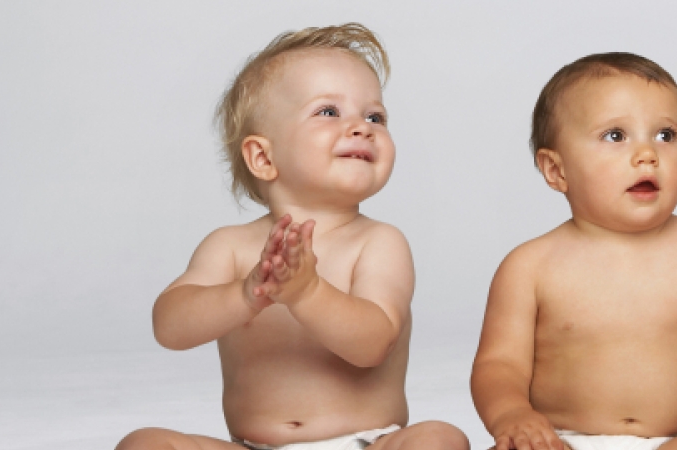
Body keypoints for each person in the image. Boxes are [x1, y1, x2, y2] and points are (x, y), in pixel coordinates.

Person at [117, 22, 468, 450]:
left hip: (366, 442)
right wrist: (246, 295)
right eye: (329, 112)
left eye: (374, 116)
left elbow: (374, 344)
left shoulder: (379, 243)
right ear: (263, 157)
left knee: (440, 439)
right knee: (145, 443)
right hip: (254, 445)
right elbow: (170, 327)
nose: (362, 127)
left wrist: (307, 292)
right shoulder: (230, 247)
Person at [470, 52, 677, 450]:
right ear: (557, 170)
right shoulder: (530, 267)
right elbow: (499, 365)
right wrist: (511, 414)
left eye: (665, 135)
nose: (647, 154)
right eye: (616, 136)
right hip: (561, 439)